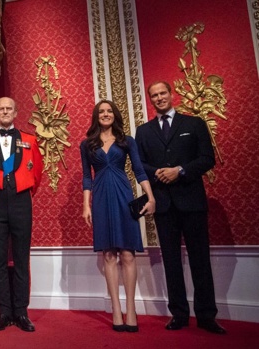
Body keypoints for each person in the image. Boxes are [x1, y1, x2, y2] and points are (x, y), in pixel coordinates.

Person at [135, 81, 225, 334]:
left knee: (200, 261)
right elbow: (140, 165)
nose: (159, 97)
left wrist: (180, 171)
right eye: (155, 95)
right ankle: (179, 314)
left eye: (163, 93)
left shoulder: (194, 123)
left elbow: (207, 158)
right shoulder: (143, 131)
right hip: (163, 205)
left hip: (193, 202)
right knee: (171, 262)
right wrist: (160, 173)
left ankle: (207, 316)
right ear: (151, 99)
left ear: (171, 95)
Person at [80, 100, 155, 333]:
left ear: (115, 115)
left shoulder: (126, 141)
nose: (105, 114)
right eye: (101, 111)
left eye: (109, 111)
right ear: (96, 116)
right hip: (101, 197)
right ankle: (115, 309)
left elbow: (139, 170)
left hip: (123, 194)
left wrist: (150, 197)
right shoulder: (87, 144)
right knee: (109, 254)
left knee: (128, 253)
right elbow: (86, 177)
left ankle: (130, 309)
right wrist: (86, 205)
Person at [0, 97, 43, 332]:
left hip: (21, 200)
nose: (5, 111)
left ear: (15, 112)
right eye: (0, 108)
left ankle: (21, 312)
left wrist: (21, 188)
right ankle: (4, 311)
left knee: (22, 257)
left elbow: (38, 173)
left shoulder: (29, 140)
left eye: (9, 108)